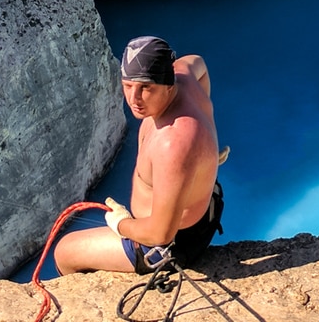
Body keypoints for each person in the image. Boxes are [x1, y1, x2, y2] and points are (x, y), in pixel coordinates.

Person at [55, 36, 224, 274]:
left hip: (171, 244)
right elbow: (198, 62)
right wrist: (203, 153)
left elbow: (160, 233)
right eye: (127, 85)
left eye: (146, 88)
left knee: (64, 252)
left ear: (168, 83)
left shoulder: (173, 142)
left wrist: (121, 223)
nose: (134, 99)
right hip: (204, 213)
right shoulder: (184, 75)